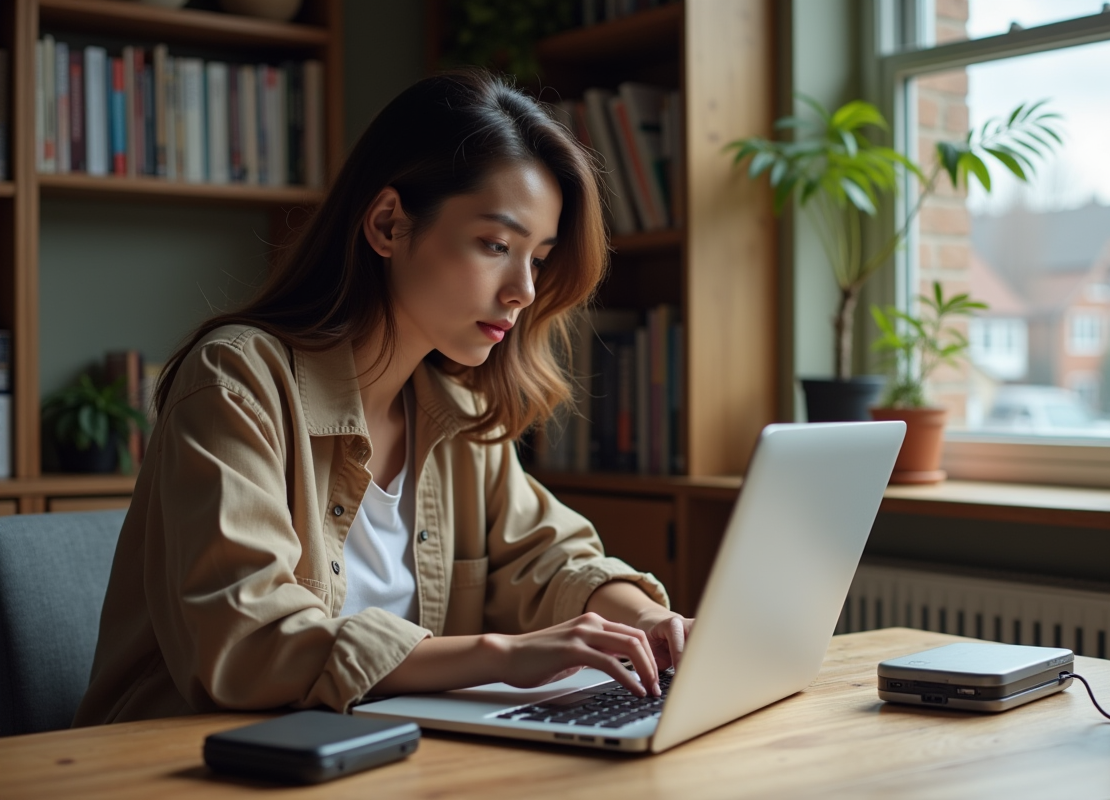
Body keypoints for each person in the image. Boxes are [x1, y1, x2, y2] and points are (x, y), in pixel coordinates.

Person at [74, 70, 691, 727]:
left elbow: (549, 558)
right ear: (389, 224)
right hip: (188, 763)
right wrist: (502, 655)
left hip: (378, 758)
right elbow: (247, 641)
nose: (524, 290)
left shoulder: (453, 413)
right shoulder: (236, 381)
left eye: (537, 258)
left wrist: (649, 620)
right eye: (495, 245)